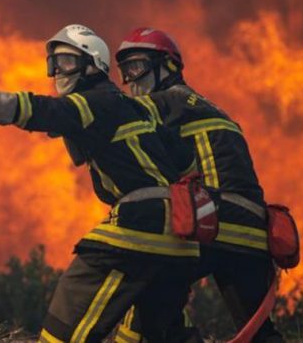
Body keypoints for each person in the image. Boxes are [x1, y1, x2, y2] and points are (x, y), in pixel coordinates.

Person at [0, 24, 197, 343]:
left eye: (68, 62)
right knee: (150, 336)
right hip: (180, 240)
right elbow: (186, 160)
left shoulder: (96, 100)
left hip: (141, 226)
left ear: (93, 65)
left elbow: (44, 111)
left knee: (65, 320)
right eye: (54, 63)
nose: (58, 71)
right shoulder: (136, 108)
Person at [115, 27, 282, 342]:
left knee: (148, 299)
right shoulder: (204, 105)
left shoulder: (165, 103)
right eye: (125, 71)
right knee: (258, 332)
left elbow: (117, 117)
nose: (131, 78)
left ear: (167, 66)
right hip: (250, 231)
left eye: (137, 66)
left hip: (214, 225)